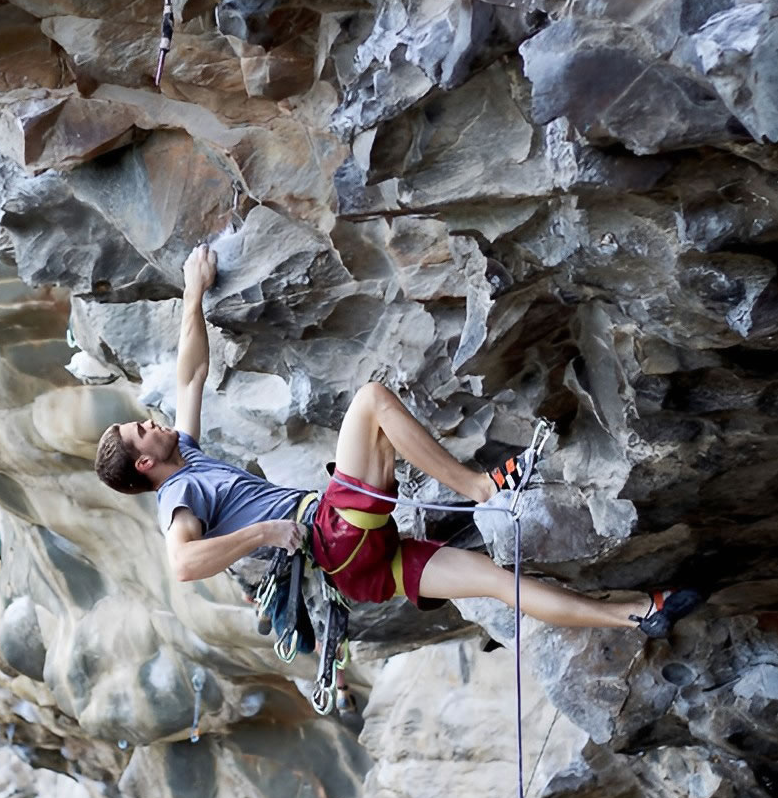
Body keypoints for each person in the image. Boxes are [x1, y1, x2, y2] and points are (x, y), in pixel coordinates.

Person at [94, 245, 705, 637]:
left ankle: (637, 613)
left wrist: (194, 290)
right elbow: (181, 564)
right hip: (332, 537)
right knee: (372, 401)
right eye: (141, 429)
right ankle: (479, 487)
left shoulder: (189, 457)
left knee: (496, 582)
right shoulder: (178, 496)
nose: (151, 419)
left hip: (360, 566)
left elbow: (190, 374)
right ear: (146, 462)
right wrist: (264, 533)